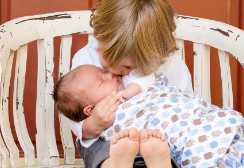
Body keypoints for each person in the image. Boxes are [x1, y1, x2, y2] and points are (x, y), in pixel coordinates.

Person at [68, 0, 194, 167]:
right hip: (110, 139)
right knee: (96, 149)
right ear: (99, 38)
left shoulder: (168, 62)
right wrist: (92, 124)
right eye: (107, 59)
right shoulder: (85, 60)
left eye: (128, 67)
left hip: (158, 136)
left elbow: (185, 103)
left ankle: (160, 163)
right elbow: (73, 110)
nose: (113, 70)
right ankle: (114, 164)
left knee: (170, 148)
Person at [54, 65, 244, 168]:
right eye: (102, 81)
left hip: (196, 121)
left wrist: (130, 90)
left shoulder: (131, 84)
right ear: (90, 109)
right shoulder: (108, 115)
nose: (111, 75)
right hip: (172, 139)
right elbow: (86, 136)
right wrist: (94, 123)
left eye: (104, 72)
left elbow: (151, 79)